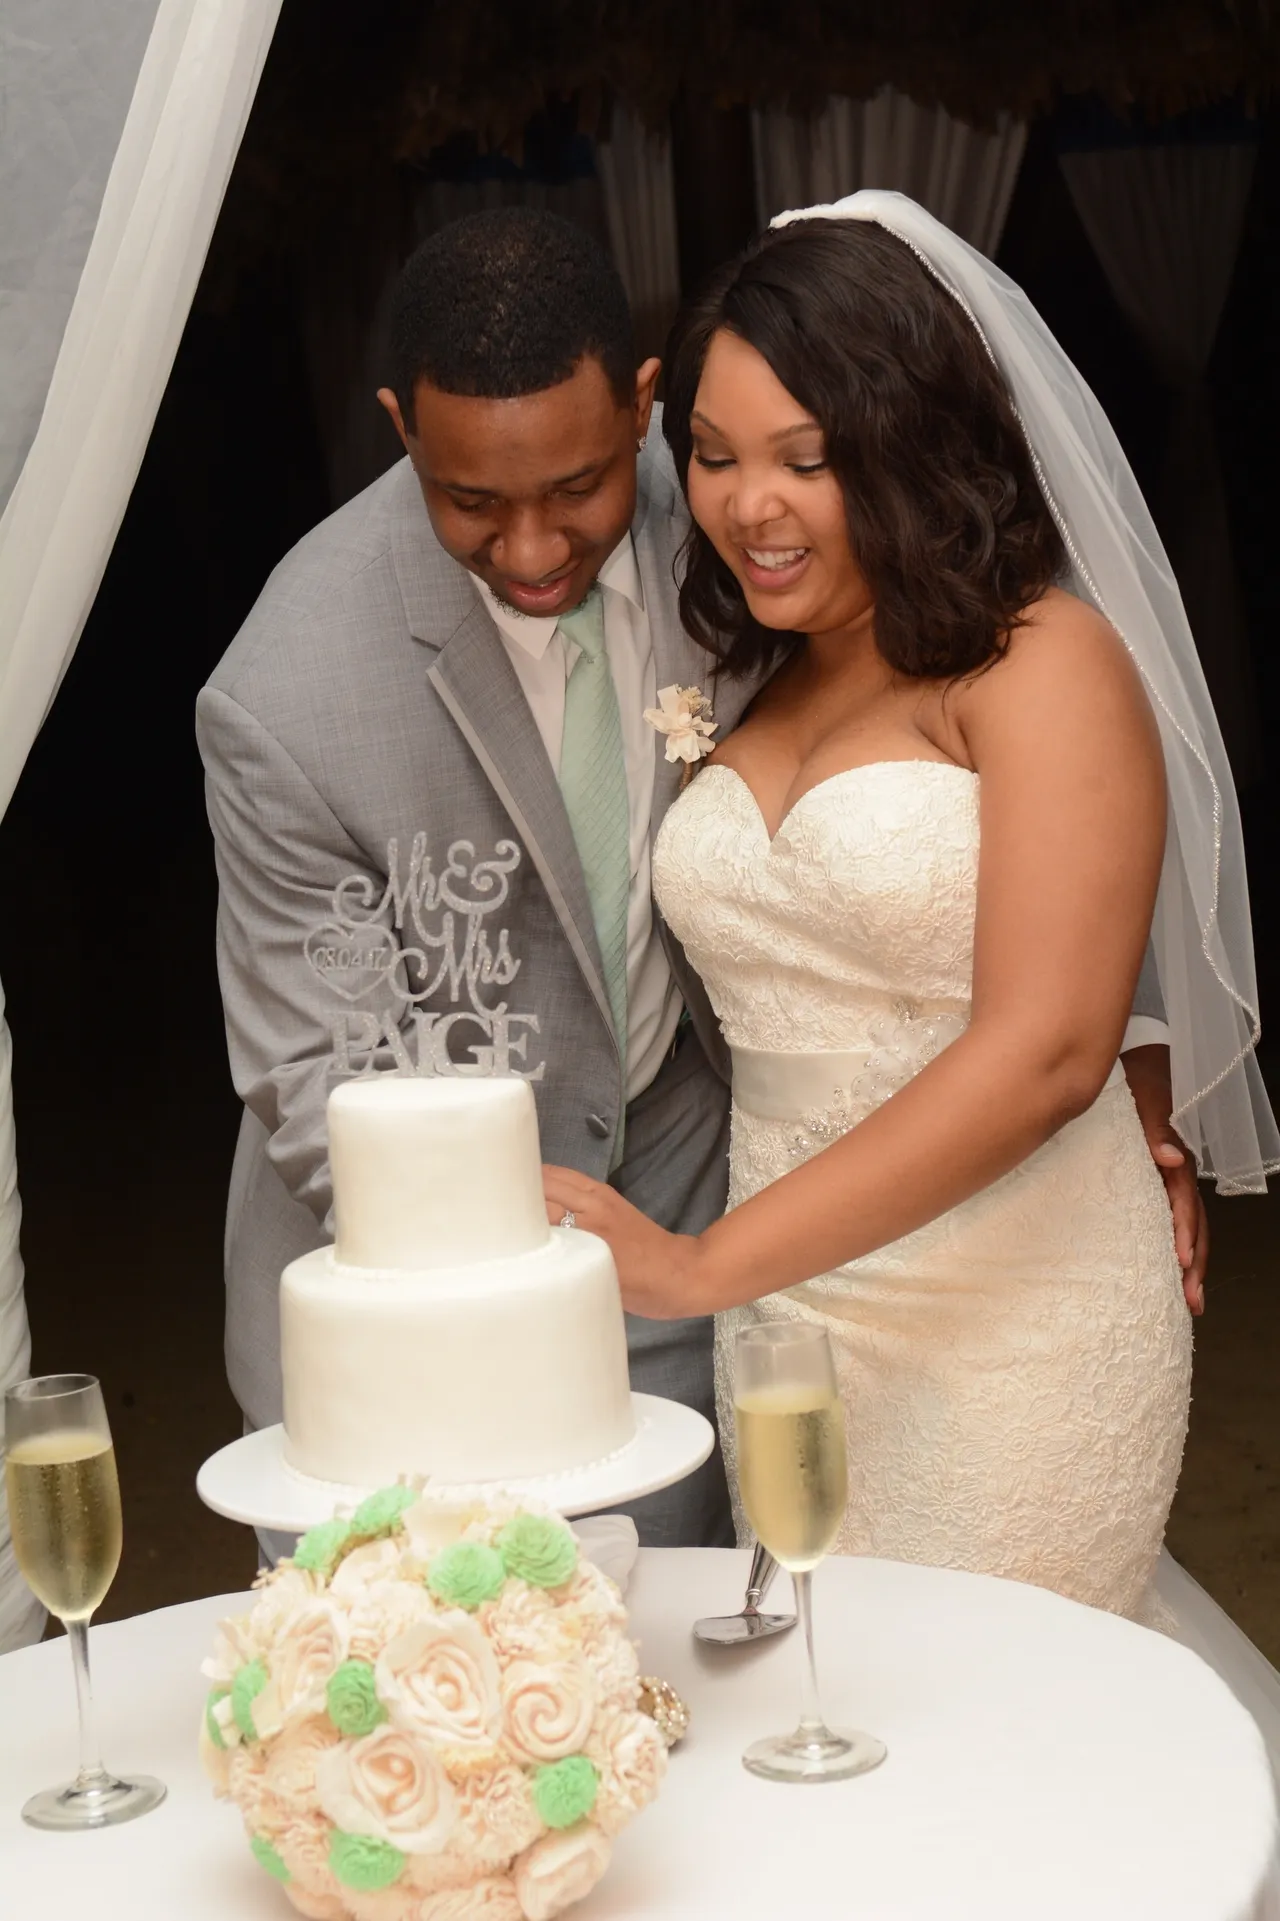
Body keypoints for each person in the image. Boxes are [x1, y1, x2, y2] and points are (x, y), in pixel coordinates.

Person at [199, 203, 1200, 1556]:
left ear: (636, 411)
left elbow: (1025, 842)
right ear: (399, 429)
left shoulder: (746, 535)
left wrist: (1130, 1064)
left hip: (759, 1251)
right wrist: (528, 1289)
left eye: (578, 488)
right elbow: (313, 1073)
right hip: (476, 1301)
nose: (539, 545)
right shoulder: (286, 692)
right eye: (474, 502)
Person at [541, 194, 1279, 1627]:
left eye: (805, 460)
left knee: (997, 1730)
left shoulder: (1043, 662)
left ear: (908, 445)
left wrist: (692, 1267)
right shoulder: (751, 672)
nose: (748, 504)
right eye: (710, 455)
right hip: (795, 1320)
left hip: (1017, 1317)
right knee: (836, 1720)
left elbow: (1047, 1048)